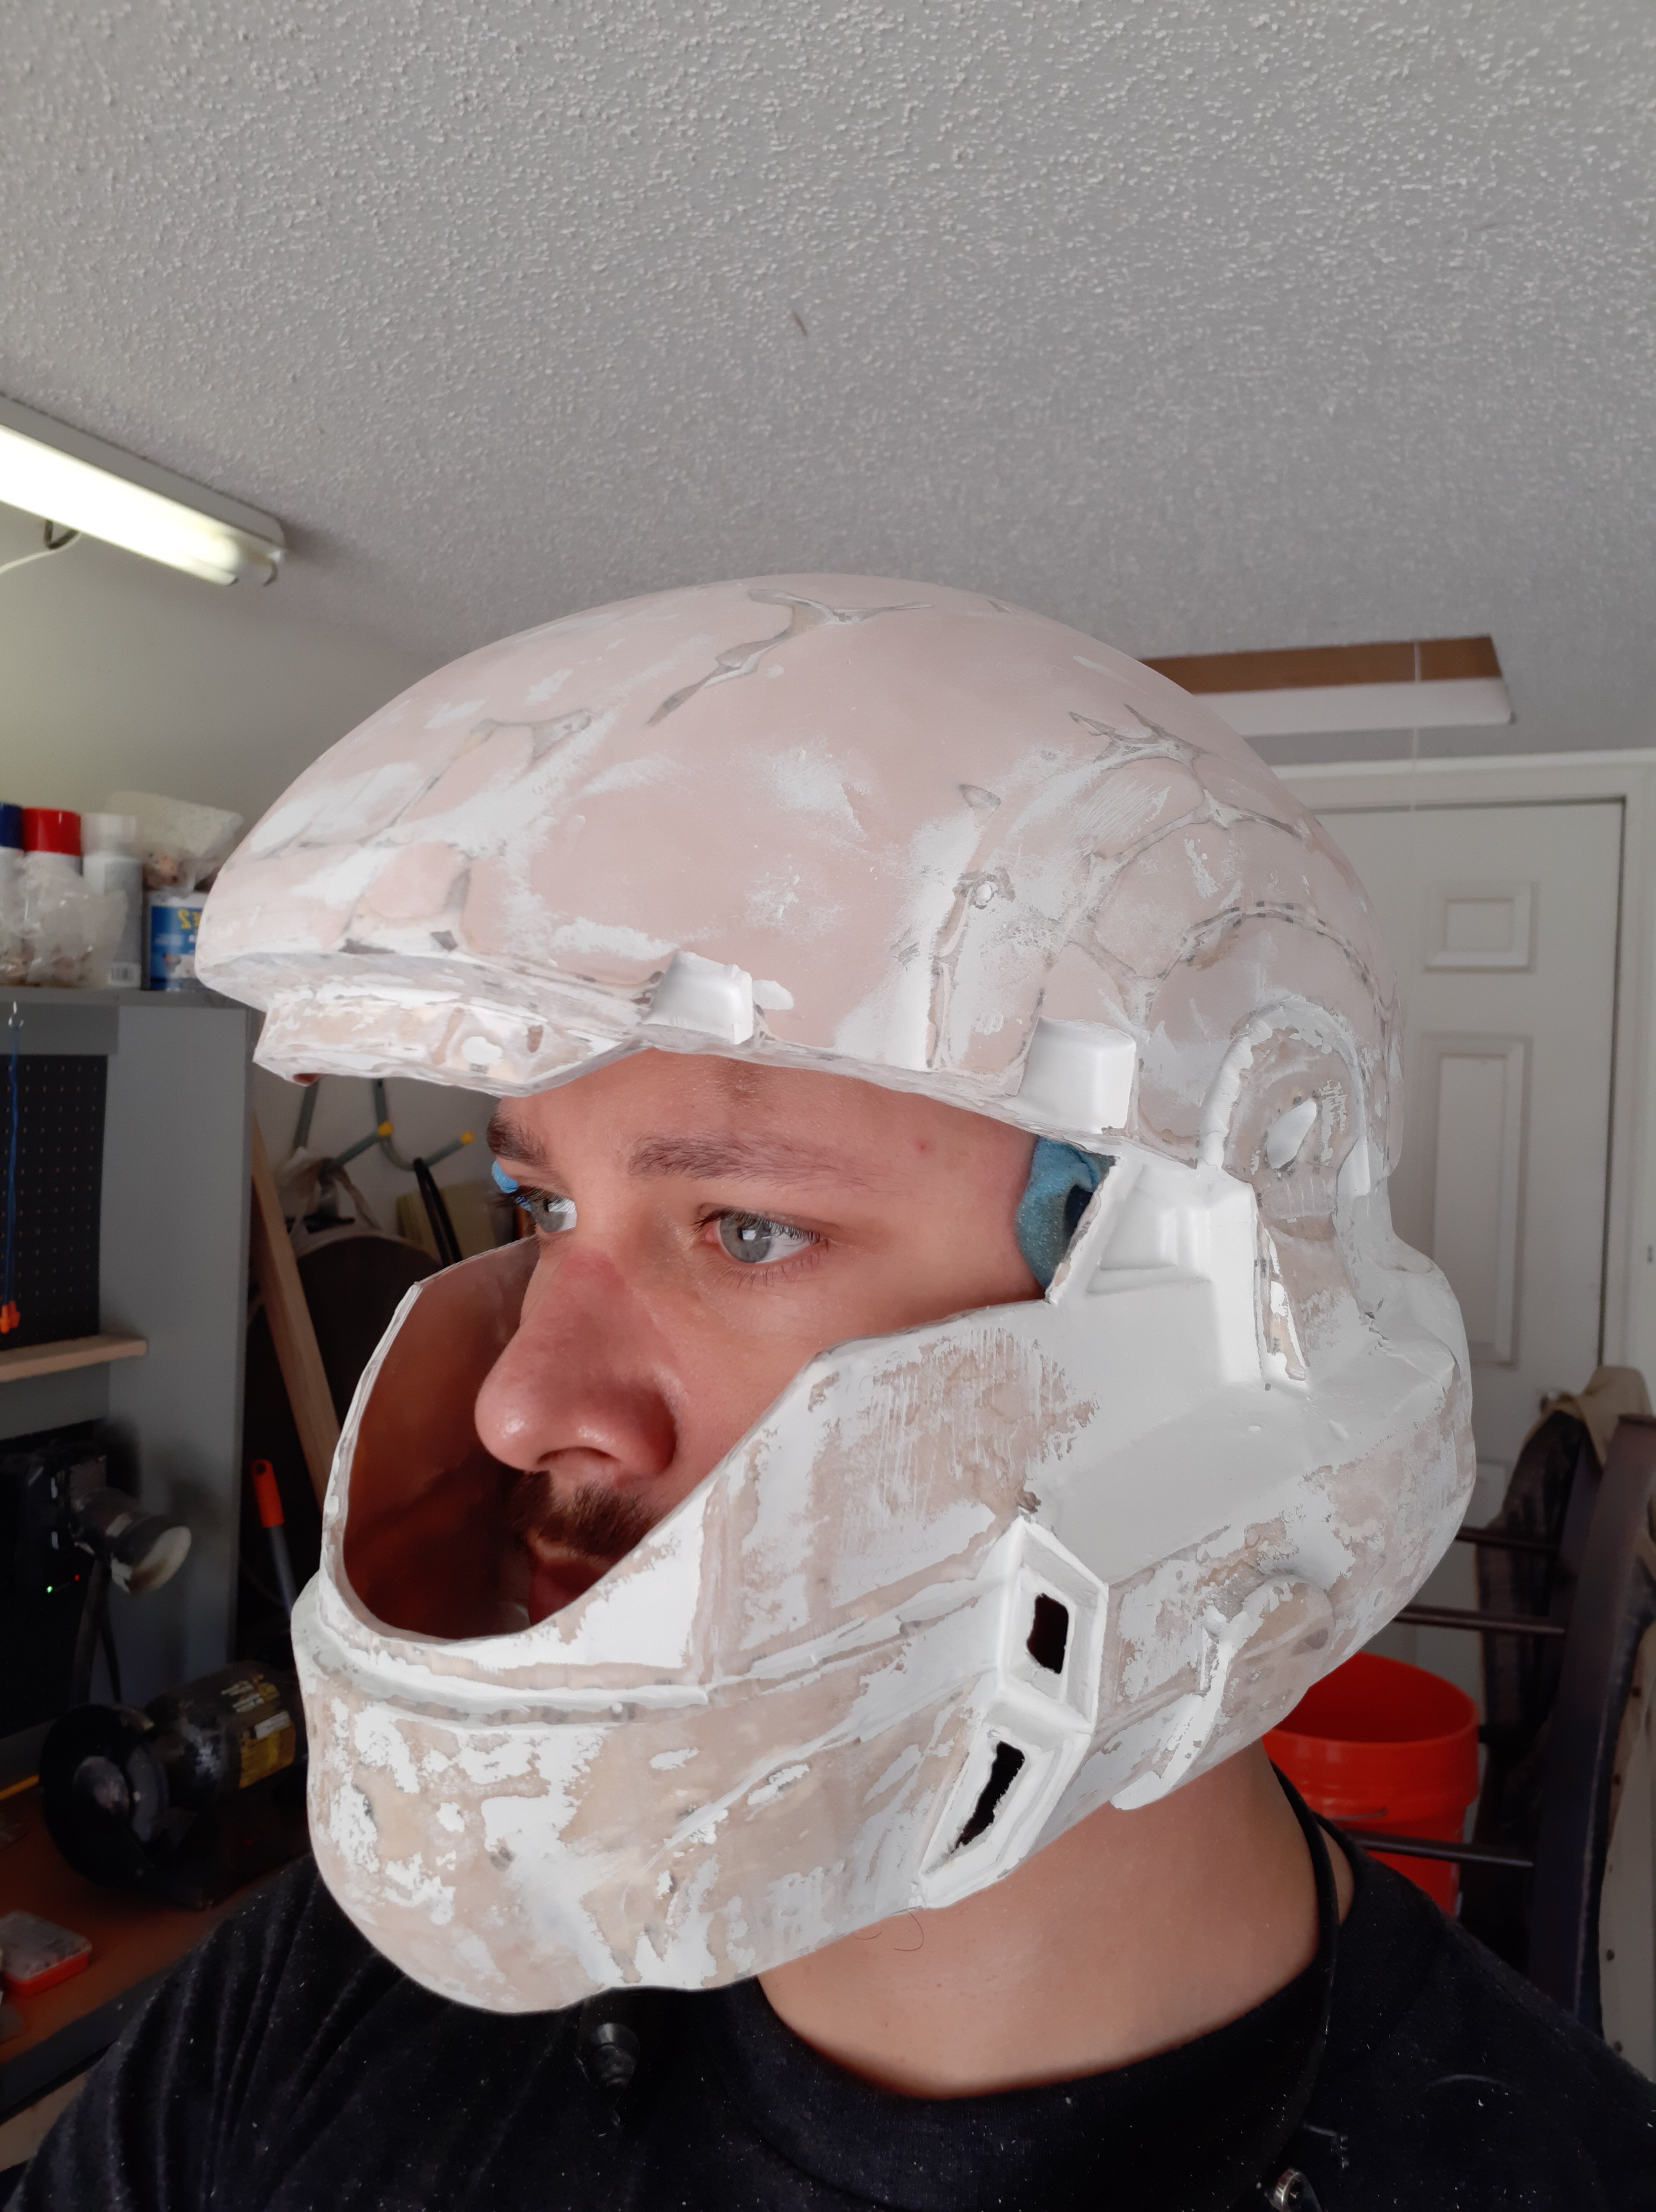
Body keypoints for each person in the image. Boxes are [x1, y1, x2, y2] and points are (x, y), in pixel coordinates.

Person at [18, 579, 1654, 2209]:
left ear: (1214, 1321)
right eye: (542, 1208)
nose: (517, 1408)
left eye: (747, 1229)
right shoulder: (305, 2018)